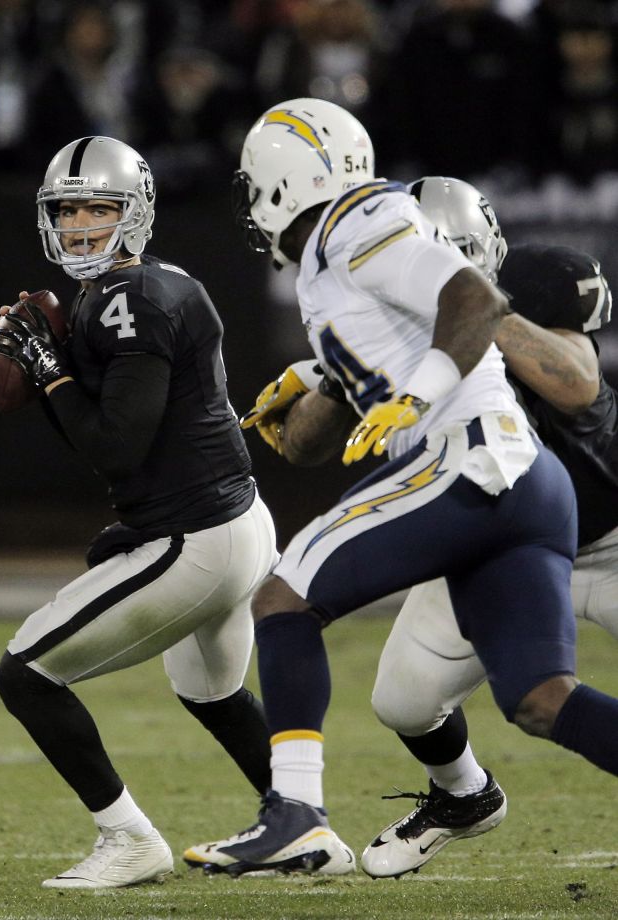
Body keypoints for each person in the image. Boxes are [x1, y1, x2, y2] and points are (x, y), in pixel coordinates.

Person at [182, 97, 618, 878]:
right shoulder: (336, 261)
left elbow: (477, 302)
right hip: (525, 486)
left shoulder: (357, 220)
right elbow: (326, 431)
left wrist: (418, 394)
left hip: (472, 457)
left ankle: (297, 816)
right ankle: (390, 804)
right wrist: (308, 396)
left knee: (284, 597)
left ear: (284, 180)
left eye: (256, 184)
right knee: (542, 699)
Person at [0, 135, 279, 889]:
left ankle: (129, 840)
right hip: (234, 523)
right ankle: (299, 822)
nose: (83, 225)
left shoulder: (128, 300)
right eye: (69, 209)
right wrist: (54, 374)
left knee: (26, 674)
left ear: (135, 212)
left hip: (198, 539)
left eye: (99, 207)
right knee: (210, 692)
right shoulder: (144, 286)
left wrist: (49, 371)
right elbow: (125, 437)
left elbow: (115, 447)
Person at [360, 176, 617, 879]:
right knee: (404, 700)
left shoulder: (532, 284)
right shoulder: (379, 333)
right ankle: (463, 797)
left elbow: (576, 382)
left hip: (611, 538)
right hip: (504, 548)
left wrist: (475, 309)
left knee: (541, 700)